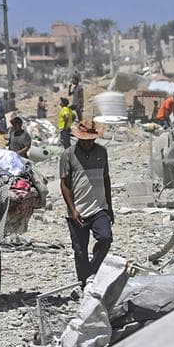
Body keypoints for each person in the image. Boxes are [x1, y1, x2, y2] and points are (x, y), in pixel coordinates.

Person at [59, 120, 113, 287]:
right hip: (78, 211)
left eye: (91, 140)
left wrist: (110, 207)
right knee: (80, 250)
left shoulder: (102, 152)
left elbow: (106, 178)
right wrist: (73, 209)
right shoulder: (68, 154)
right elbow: (64, 184)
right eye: (84, 140)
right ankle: (84, 283)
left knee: (105, 238)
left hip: (99, 208)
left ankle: (92, 270)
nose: (88, 144)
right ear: (78, 139)